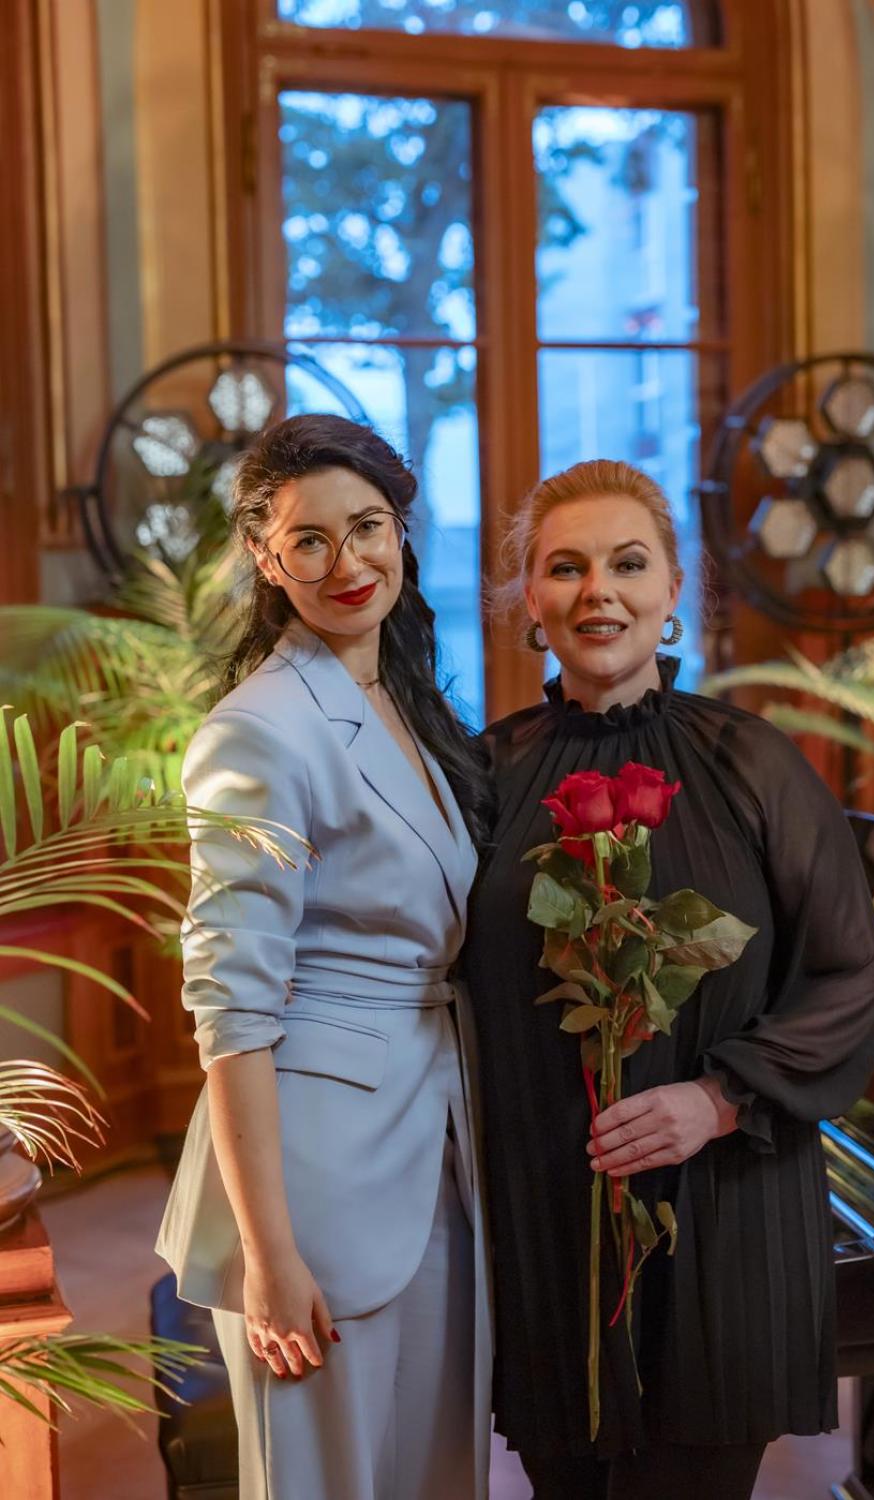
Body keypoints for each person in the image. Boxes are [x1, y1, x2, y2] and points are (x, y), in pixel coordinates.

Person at [465, 458, 874, 1500]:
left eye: (627, 564)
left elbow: (848, 974)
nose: (597, 592)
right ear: (530, 601)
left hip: (725, 1208)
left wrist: (719, 1098)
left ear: (671, 592)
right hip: (549, 1212)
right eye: (565, 568)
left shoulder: (754, 762)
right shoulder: (481, 777)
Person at [156, 414, 493, 1500]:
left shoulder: (397, 698)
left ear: (402, 530)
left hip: (431, 1143)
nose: (347, 563)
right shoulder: (259, 728)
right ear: (265, 557)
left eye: (368, 527)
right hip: (312, 1181)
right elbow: (231, 1008)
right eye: (309, 540)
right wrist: (269, 1257)